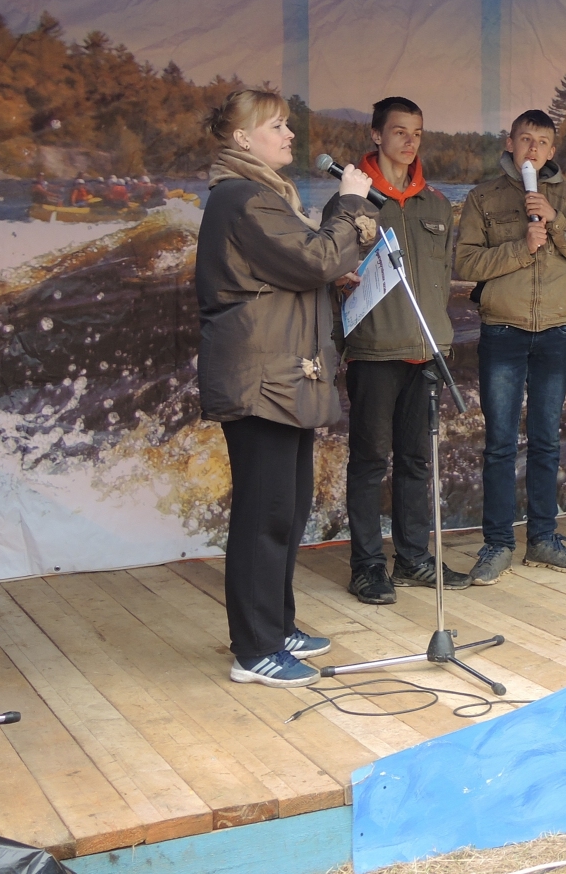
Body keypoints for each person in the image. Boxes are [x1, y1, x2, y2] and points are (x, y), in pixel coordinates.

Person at [195, 87, 377, 687]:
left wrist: (329, 272)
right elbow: (311, 259)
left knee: (289, 507)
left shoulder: (263, 195)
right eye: (275, 125)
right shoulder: (244, 198)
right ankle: (255, 650)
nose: (289, 134)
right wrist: (350, 204)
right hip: (261, 378)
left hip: (279, 374)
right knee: (264, 513)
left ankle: (276, 625)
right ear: (242, 138)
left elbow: (297, 268)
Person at [325, 95, 470, 606]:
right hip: (374, 351)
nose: (410, 142)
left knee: (416, 461)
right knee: (369, 461)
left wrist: (440, 339)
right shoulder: (351, 200)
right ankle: (367, 566)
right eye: (400, 131)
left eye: (418, 133)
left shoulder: (436, 203)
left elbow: (441, 278)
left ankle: (412, 557)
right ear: (376, 135)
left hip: (425, 351)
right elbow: (328, 272)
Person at [455, 110, 566, 583]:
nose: (532, 149)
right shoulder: (483, 197)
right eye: (525, 139)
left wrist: (555, 221)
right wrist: (522, 246)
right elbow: (466, 263)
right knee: (499, 442)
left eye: (541, 141)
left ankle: (542, 538)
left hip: (555, 331)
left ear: (552, 151)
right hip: (503, 331)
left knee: (546, 440)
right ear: (510, 144)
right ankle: (497, 544)